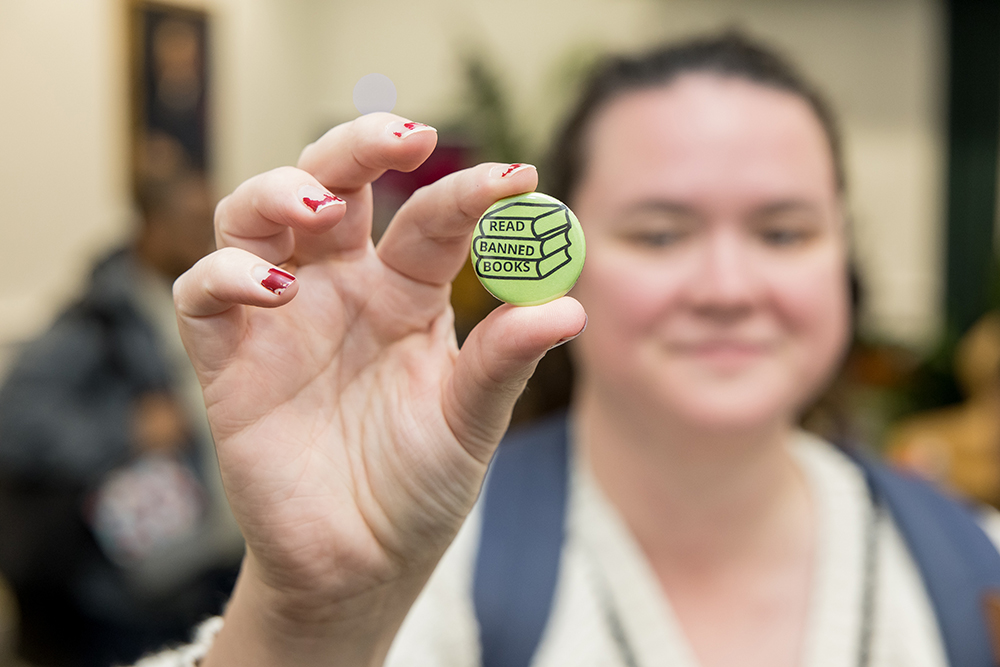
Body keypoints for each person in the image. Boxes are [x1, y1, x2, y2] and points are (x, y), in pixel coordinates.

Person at [140, 33, 1000, 667]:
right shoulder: (434, 568)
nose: (730, 285)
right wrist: (312, 619)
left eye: (784, 231)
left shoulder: (973, 562)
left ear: (840, 261)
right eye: (661, 234)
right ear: (566, 264)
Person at [0, 167, 243, 666]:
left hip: (211, 564)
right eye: (192, 221)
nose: (206, 235)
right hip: (136, 589)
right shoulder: (99, 318)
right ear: (152, 226)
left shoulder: (206, 298)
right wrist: (124, 430)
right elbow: (15, 418)